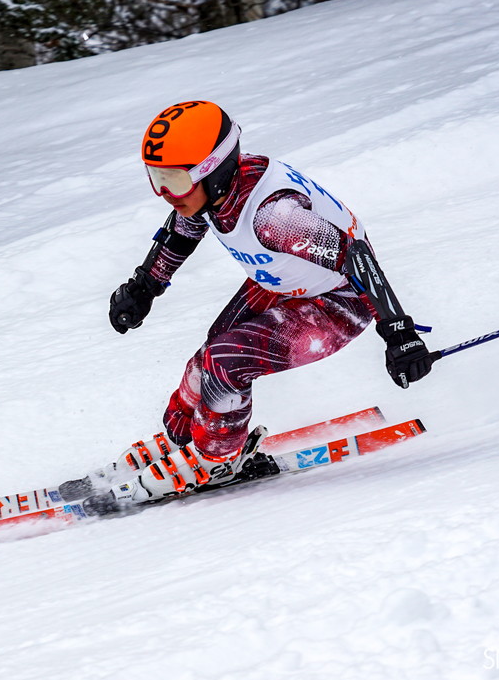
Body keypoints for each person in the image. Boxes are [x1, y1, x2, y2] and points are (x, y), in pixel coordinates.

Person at [108, 100, 432, 498]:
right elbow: (180, 232)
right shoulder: (208, 193)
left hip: (339, 301)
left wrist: (399, 333)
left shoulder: (273, 218)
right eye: (155, 178)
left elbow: (357, 258)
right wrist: (144, 288)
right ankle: (183, 438)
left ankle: (217, 459)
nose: (164, 193)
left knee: (227, 361)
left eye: (173, 181)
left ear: (213, 168)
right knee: (209, 355)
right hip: (283, 282)